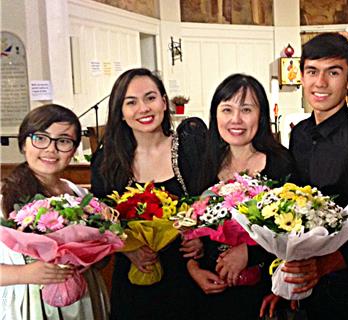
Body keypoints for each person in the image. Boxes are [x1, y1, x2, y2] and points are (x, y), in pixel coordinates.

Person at [260, 33, 348, 319]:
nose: (320, 83)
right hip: (306, 288)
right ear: (301, 76)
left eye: (334, 72)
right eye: (312, 71)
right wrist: (285, 278)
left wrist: (323, 265)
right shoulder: (299, 133)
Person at [90, 68, 206, 320]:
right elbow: (98, 220)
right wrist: (127, 248)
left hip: (189, 274)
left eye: (150, 98)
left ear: (164, 102)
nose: (143, 108)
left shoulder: (191, 146)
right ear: (119, 112)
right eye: (131, 102)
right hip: (134, 276)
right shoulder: (107, 160)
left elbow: (212, 200)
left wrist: (200, 236)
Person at [187, 73, 295, 320]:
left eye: (246, 109)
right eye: (227, 109)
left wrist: (250, 252)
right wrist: (194, 268)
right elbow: (193, 229)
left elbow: (295, 232)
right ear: (216, 115)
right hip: (211, 290)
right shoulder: (206, 164)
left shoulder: (280, 163)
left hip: (262, 294)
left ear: (261, 115)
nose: (236, 120)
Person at [0, 104, 109, 320]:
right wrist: (25, 274)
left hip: (83, 298)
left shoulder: (78, 194)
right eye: (40, 138)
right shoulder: (4, 198)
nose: (51, 149)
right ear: (23, 143)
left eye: (64, 141)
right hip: (29, 301)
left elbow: (100, 254)